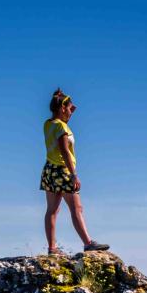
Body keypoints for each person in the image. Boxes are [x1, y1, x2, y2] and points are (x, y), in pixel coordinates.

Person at [40, 88, 109, 255]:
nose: (72, 112)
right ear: (63, 108)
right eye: (70, 109)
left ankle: (52, 248)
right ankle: (88, 243)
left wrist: (66, 103)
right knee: (76, 208)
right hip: (63, 170)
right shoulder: (62, 128)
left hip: (49, 169)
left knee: (52, 210)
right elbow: (64, 150)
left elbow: (65, 111)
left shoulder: (48, 124)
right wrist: (73, 175)